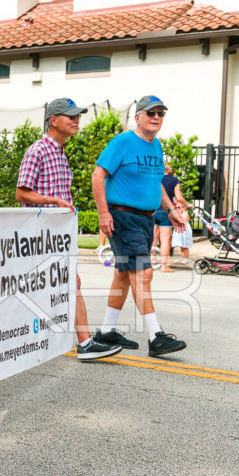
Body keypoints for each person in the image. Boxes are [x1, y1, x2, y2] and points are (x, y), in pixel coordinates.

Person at [15, 98, 122, 361]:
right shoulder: (38, 150)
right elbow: (21, 193)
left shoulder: (60, 152)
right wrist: (53, 202)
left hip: (57, 235)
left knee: (67, 282)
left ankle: (80, 342)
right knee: (60, 283)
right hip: (40, 234)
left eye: (78, 116)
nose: (76, 120)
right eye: (70, 116)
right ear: (53, 120)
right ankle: (81, 343)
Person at [92, 95, 187, 358]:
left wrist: (171, 210)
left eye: (160, 113)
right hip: (124, 218)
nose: (156, 117)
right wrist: (103, 213)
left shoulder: (156, 146)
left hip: (146, 219)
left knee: (123, 275)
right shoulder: (122, 142)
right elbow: (98, 175)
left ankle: (106, 331)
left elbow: (155, 183)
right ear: (138, 117)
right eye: (151, 113)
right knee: (142, 274)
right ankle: (156, 336)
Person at [153, 157, 192, 270]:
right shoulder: (174, 180)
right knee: (165, 238)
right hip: (165, 210)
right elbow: (178, 197)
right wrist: (187, 204)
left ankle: (152, 259)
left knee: (153, 236)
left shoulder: (156, 178)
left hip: (152, 209)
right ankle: (164, 265)